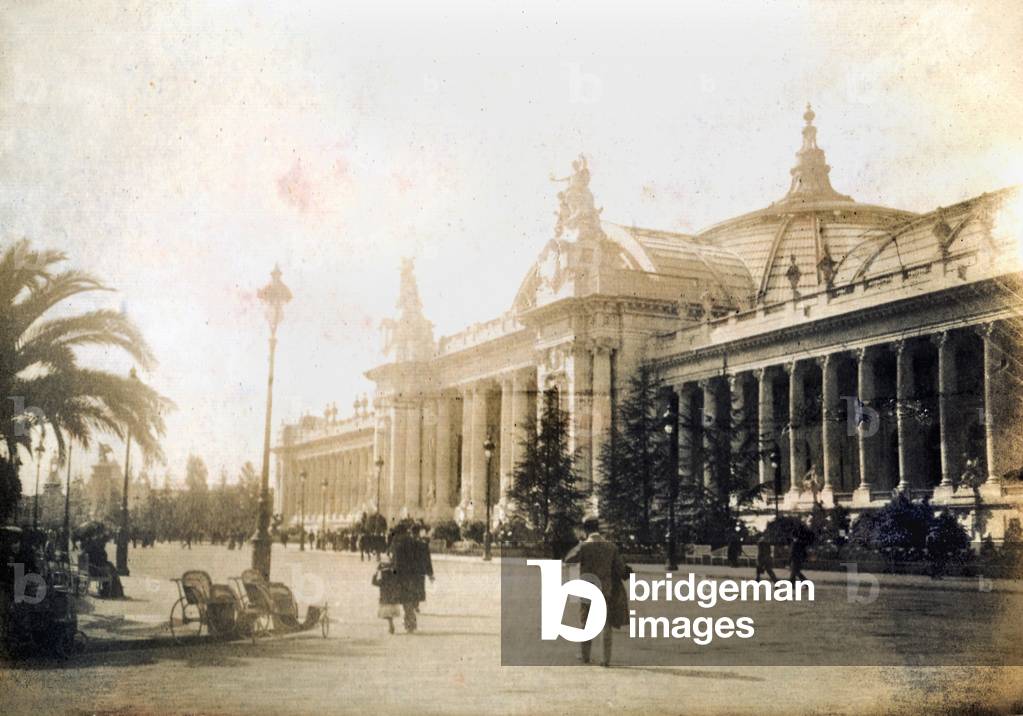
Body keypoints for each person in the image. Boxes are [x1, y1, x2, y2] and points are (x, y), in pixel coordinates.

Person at [563, 516, 629, 667]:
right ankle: (605, 659)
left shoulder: (584, 546)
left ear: (585, 529)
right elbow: (620, 568)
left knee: (586, 623)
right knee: (606, 624)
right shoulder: (610, 546)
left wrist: (579, 543)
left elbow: (569, 559)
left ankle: (585, 656)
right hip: (605, 589)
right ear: (598, 528)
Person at [390, 523, 434, 633]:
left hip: (401, 575)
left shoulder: (397, 543)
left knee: (405, 599)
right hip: (414, 575)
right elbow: (423, 557)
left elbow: (394, 561)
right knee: (410, 599)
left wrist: (393, 573)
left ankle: (410, 621)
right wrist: (429, 573)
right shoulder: (416, 543)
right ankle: (410, 621)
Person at [371, 560, 403, 634]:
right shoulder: (394, 579)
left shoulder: (382, 581)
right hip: (393, 599)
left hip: (385, 600)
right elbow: (397, 575)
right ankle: (391, 624)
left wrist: (376, 571)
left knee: (387, 615)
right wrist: (393, 568)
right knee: (391, 614)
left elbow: (373, 582)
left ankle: (390, 624)